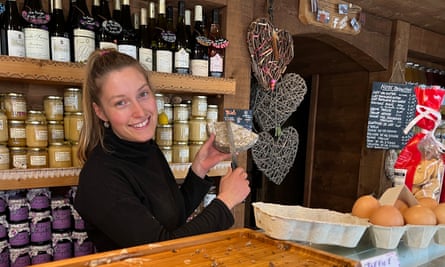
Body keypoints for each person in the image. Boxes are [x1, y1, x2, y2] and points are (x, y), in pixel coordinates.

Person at [73, 48, 251, 252]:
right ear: (101, 112)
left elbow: (172, 217)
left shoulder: (146, 148)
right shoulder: (100, 177)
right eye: (121, 102)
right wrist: (225, 202)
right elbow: (160, 249)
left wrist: (199, 170)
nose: (140, 112)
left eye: (143, 94)